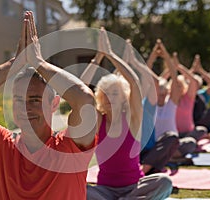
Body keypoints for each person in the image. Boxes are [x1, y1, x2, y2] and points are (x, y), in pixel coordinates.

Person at [0, 11, 97, 200]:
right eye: (18, 100)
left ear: (54, 103)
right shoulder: (2, 146)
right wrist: (13, 64)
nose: (25, 108)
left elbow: (85, 99)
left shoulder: (71, 148)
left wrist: (39, 63)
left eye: (34, 99)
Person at [81, 28, 172, 200]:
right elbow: (80, 89)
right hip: (105, 191)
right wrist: (98, 58)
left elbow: (134, 82)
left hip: (134, 188)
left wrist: (110, 54)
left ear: (124, 97)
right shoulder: (98, 119)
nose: (109, 97)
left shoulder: (132, 118)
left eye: (114, 93)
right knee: (80, 188)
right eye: (105, 93)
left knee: (164, 182)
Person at [140, 40, 180, 174]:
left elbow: (174, 79)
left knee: (173, 138)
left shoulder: (171, 104)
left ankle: (146, 170)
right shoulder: (149, 105)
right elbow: (147, 76)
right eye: (159, 94)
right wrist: (152, 55)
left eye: (164, 93)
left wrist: (166, 55)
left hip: (166, 147)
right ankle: (145, 171)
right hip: (149, 150)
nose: (161, 96)